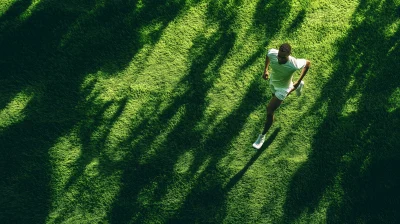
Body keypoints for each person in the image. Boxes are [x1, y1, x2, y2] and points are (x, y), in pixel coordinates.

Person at [252, 43, 311, 149]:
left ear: (289, 54)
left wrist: (298, 80)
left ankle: (262, 136)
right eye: (279, 55)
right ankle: (296, 88)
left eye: (283, 57)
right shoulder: (272, 53)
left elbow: (307, 63)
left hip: (283, 89)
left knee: (269, 110)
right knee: (274, 97)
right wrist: (265, 70)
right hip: (273, 82)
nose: (279, 58)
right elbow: (268, 55)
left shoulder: (294, 64)